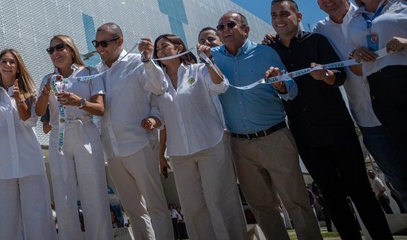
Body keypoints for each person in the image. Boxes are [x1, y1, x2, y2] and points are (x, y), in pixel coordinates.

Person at [266, 0, 392, 240]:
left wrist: (325, 75)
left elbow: (340, 76)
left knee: (360, 191)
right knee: (332, 197)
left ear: (298, 16)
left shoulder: (317, 41)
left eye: (284, 14)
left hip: (338, 129)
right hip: (305, 135)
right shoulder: (271, 51)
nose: (279, 19)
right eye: (274, 15)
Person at [210, 12, 321, 240]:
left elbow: (291, 90)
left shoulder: (266, 53)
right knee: (261, 206)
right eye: (220, 27)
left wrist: (280, 84)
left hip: (275, 138)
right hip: (240, 145)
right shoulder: (213, 59)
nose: (225, 29)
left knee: (296, 201)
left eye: (230, 24)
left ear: (246, 29)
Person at [312, 0, 407, 202]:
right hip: (368, 119)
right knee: (401, 183)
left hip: (400, 105)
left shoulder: (375, 12)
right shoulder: (319, 32)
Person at [152, 34, 247, 240]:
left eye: (164, 46)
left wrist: (208, 60)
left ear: (179, 48)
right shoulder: (159, 84)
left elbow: (220, 86)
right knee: (193, 210)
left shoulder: (198, 70)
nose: (160, 51)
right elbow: (163, 121)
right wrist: (161, 155)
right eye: (157, 49)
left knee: (220, 202)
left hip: (210, 145)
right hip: (179, 154)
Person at [0, 50, 57, 240]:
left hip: (30, 164)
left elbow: (29, 122)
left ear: (18, 68)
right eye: (4, 61)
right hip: (3, 169)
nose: (7, 65)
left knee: (37, 217)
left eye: (12, 62)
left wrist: (19, 100)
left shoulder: (29, 93)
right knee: (6, 222)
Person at [92, 23, 173, 240]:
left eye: (104, 43)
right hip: (112, 150)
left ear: (119, 41)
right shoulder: (96, 72)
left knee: (156, 205)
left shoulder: (138, 62)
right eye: (96, 43)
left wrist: (148, 59)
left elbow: (159, 88)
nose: (99, 48)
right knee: (133, 209)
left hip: (140, 145)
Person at [33, 35, 109, 240]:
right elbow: (39, 112)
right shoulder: (48, 79)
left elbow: (100, 109)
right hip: (58, 135)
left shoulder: (90, 73)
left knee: (94, 193)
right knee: (63, 196)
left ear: (71, 49)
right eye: (51, 50)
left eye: (60, 47)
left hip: (85, 131)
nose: (55, 53)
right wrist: (45, 92)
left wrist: (79, 102)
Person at [345, 0, 407, 143]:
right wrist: (356, 56)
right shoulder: (354, 22)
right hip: (380, 90)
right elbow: (357, 70)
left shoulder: (402, 3)